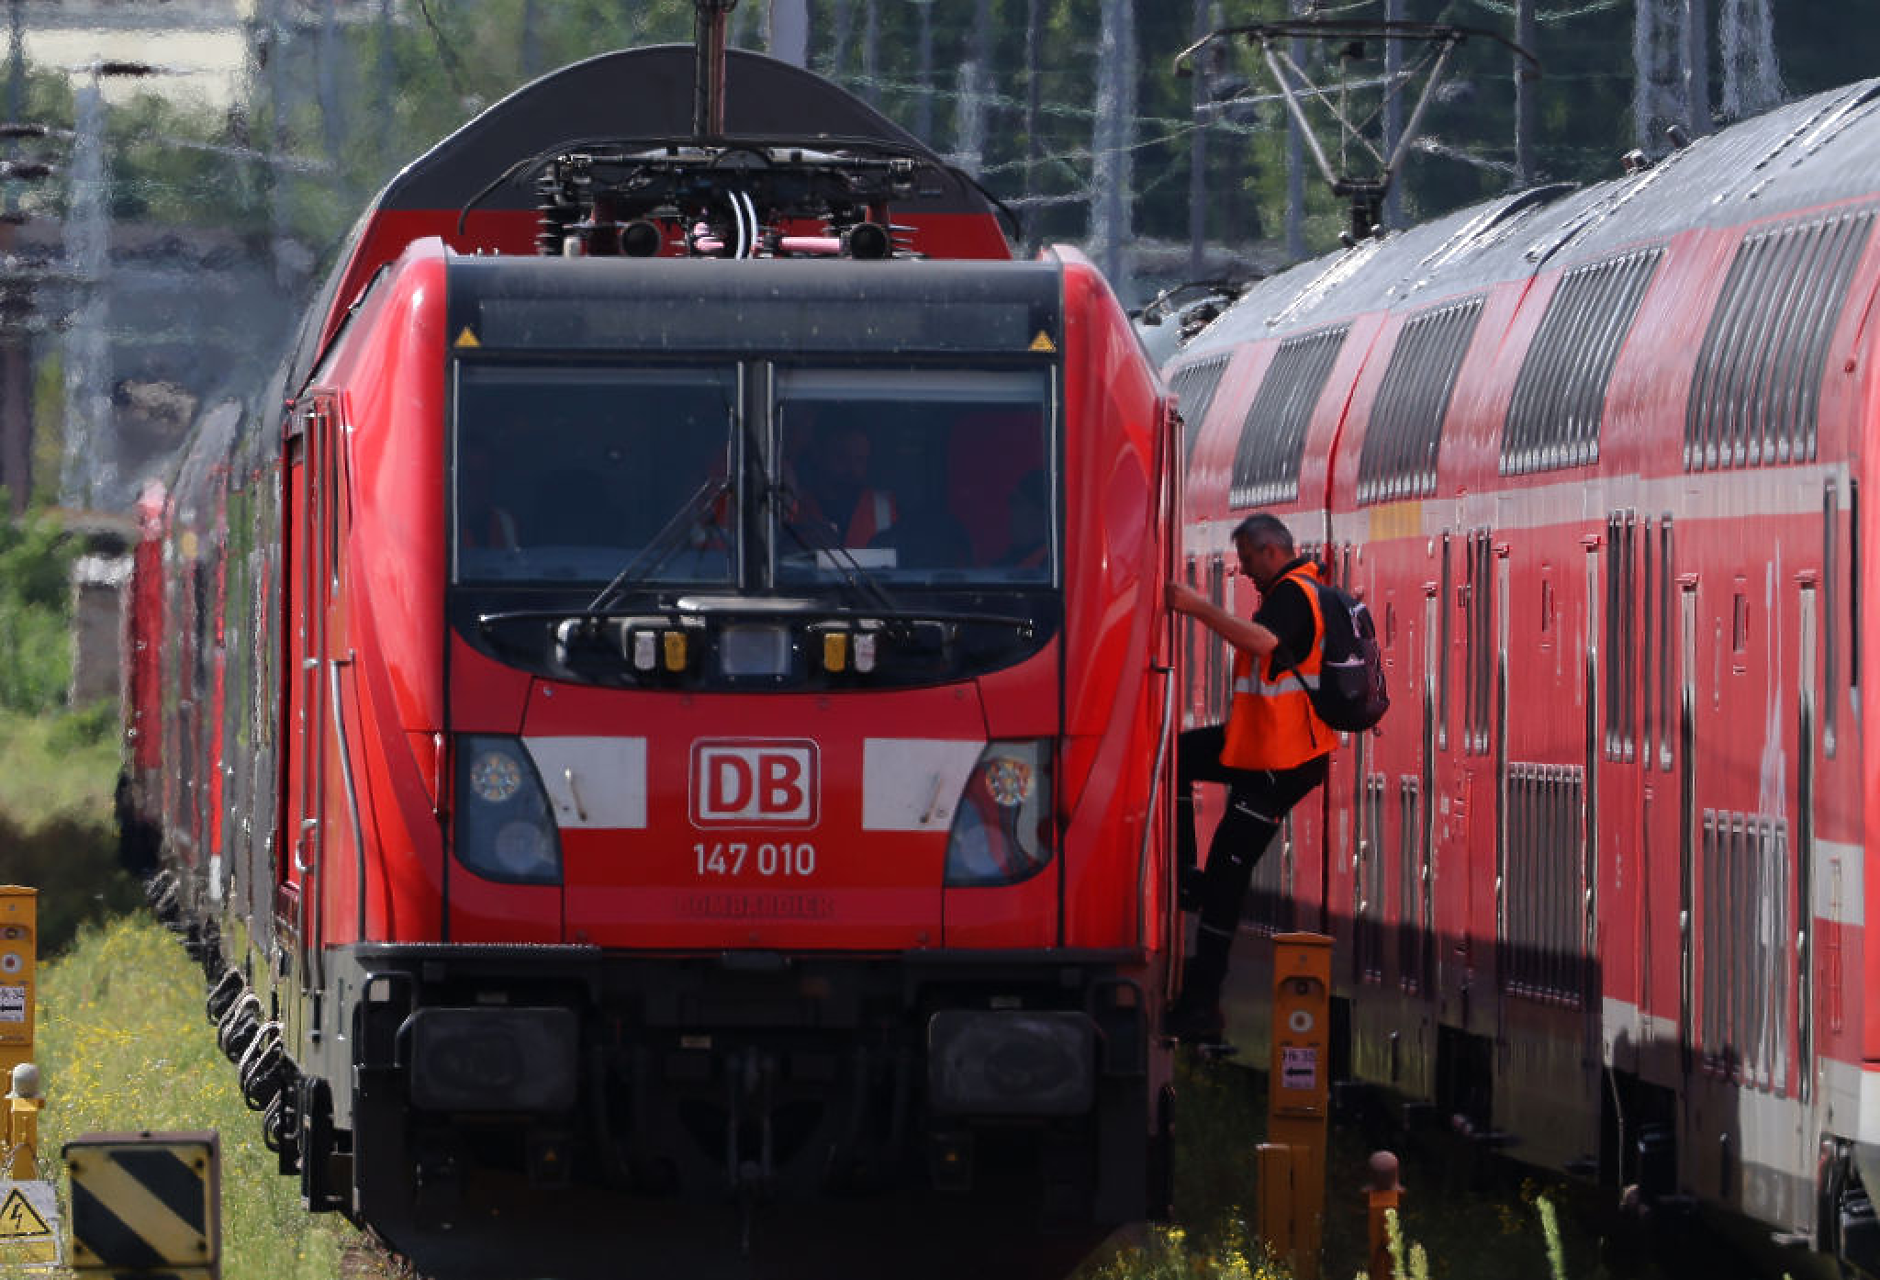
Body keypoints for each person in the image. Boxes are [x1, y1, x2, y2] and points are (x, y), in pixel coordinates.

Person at [1162, 512, 1335, 1045]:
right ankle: (1188, 876)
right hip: (1259, 749)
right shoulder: (1301, 589)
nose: (1244, 572)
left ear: (1268, 550)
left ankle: (1201, 1003)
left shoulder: (1293, 593)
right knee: (1176, 757)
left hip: (1279, 762)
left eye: (1246, 561)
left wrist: (1197, 608)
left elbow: (1262, 643)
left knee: (1226, 881)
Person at [797, 418, 897, 547]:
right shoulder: (797, 505)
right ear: (819, 456)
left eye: (859, 459)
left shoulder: (886, 508)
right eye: (841, 457)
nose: (852, 468)